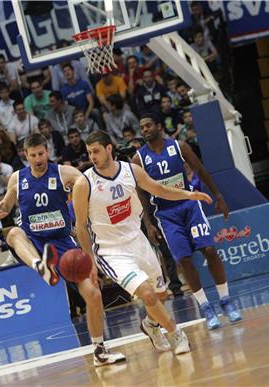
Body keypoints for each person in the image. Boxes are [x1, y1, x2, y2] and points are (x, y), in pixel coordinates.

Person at [0, 133, 125, 367]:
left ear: (47, 151)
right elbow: (7, 203)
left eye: (41, 154)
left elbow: (91, 181)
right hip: (34, 243)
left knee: (93, 294)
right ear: (26, 155)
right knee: (13, 233)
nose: (37, 159)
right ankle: (40, 266)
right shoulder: (17, 178)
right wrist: (0, 208)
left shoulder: (64, 173)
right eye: (32, 155)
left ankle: (99, 350)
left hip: (63, 245)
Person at [73, 130, 198, 354]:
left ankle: (150, 325)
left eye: (96, 151)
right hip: (111, 250)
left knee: (161, 295)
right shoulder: (84, 184)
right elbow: (80, 227)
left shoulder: (131, 170)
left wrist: (188, 195)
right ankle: (176, 334)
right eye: (89, 152)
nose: (92, 156)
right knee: (147, 294)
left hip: (138, 241)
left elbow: (158, 189)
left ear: (109, 148)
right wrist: (90, 260)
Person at [133, 114, 242, 330]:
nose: (145, 129)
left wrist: (218, 196)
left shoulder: (179, 146)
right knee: (184, 259)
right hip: (165, 213)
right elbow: (141, 193)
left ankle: (226, 300)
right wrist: (148, 222)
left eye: (148, 125)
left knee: (209, 249)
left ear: (158, 126)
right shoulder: (138, 159)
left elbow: (200, 170)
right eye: (142, 127)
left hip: (189, 205)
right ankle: (205, 307)